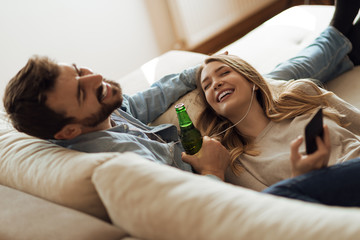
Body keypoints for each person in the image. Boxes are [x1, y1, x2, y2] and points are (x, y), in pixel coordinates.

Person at [2, 2, 359, 183]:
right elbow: (199, 204)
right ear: (69, 131)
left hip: (189, 137)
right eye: (83, 93)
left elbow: (151, 96)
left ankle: (344, 45)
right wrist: (212, 171)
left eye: (80, 71)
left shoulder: (104, 112)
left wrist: (203, 70)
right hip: (208, 154)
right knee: (259, 86)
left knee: (255, 80)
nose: (97, 78)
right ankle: (341, 37)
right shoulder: (127, 167)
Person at [181, 2, 360, 197]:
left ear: (253, 82)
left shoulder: (301, 93)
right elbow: (278, 208)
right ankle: (341, 30)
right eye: (207, 85)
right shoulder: (237, 164)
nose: (216, 83)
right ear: (213, 108)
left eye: (224, 73)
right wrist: (301, 178)